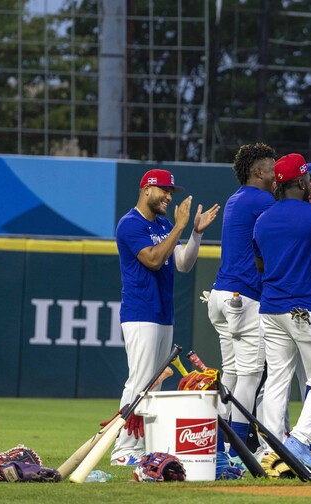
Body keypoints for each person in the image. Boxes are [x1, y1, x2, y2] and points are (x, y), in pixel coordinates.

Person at [112, 169, 220, 465]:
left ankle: (142, 448)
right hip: (140, 313)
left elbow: (183, 264)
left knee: (154, 383)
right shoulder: (130, 223)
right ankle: (123, 450)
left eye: (171, 192)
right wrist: (180, 227)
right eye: (164, 190)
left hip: (162, 312)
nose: (169, 197)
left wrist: (195, 233)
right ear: (146, 189)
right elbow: (154, 260)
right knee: (139, 381)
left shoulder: (163, 224)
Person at [253, 153, 311, 474]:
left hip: (271, 306)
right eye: (308, 177)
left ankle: (271, 449)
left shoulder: (263, 218)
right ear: (303, 182)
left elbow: (260, 262)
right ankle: (299, 441)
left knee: (277, 379)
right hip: (305, 305)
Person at [206, 143, 276, 457]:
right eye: (272, 170)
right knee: (250, 377)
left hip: (221, 295)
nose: (276, 176)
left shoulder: (237, 198)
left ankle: (219, 448)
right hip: (244, 297)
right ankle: (236, 453)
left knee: (232, 374)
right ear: (258, 172)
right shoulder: (262, 199)